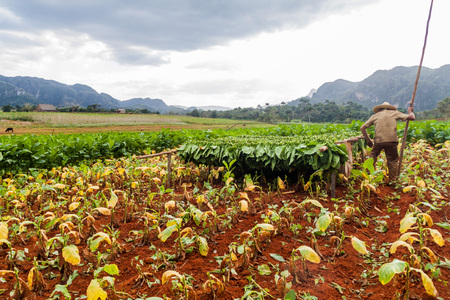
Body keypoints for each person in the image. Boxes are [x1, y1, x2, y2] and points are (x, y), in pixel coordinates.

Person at [360, 102, 415, 182]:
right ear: (389, 108)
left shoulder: (375, 116)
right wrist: (410, 111)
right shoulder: (394, 113)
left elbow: (362, 128)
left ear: (380, 109)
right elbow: (412, 117)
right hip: (392, 141)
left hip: (379, 141)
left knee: (373, 156)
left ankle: (368, 177)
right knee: (392, 160)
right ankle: (393, 180)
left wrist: (368, 140)